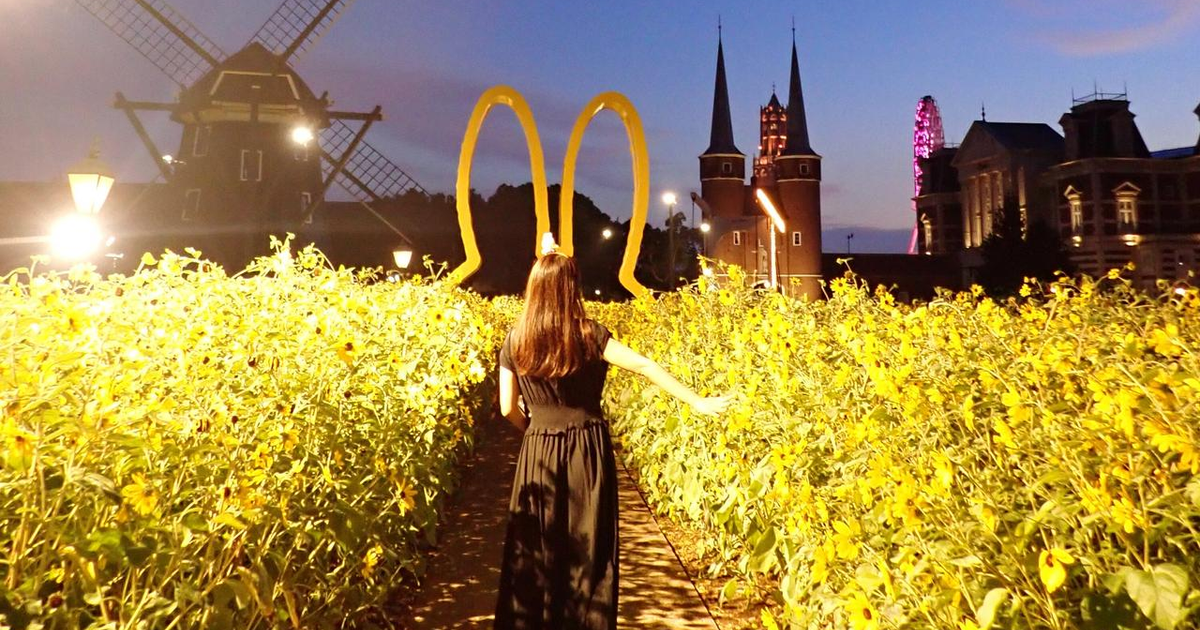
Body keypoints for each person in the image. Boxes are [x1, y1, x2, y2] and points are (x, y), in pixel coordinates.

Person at [493, 234, 732, 629]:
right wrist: (697, 401)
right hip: (586, 448)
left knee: (535, 546)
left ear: (533, 288)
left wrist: (533, 428)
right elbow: (645, 366)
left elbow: (506, 407)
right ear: (572, 289)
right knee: (589, 548)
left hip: (537, 451)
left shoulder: (515, 339)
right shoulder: (590, 334)